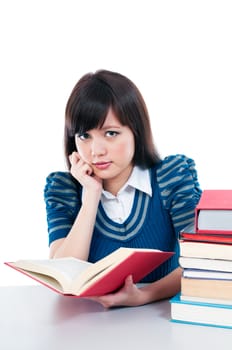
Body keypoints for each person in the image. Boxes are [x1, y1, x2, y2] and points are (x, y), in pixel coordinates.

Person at [44, 69, 201, 308]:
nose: (96, 151)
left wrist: (144, 295)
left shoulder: (171, 177)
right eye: (84, 135)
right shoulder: (64, 189)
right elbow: (65, 276)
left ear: (136, 131)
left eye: (111, 133)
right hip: (89, 327)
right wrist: (91, 197)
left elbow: (202, 261)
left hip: (163, 319)